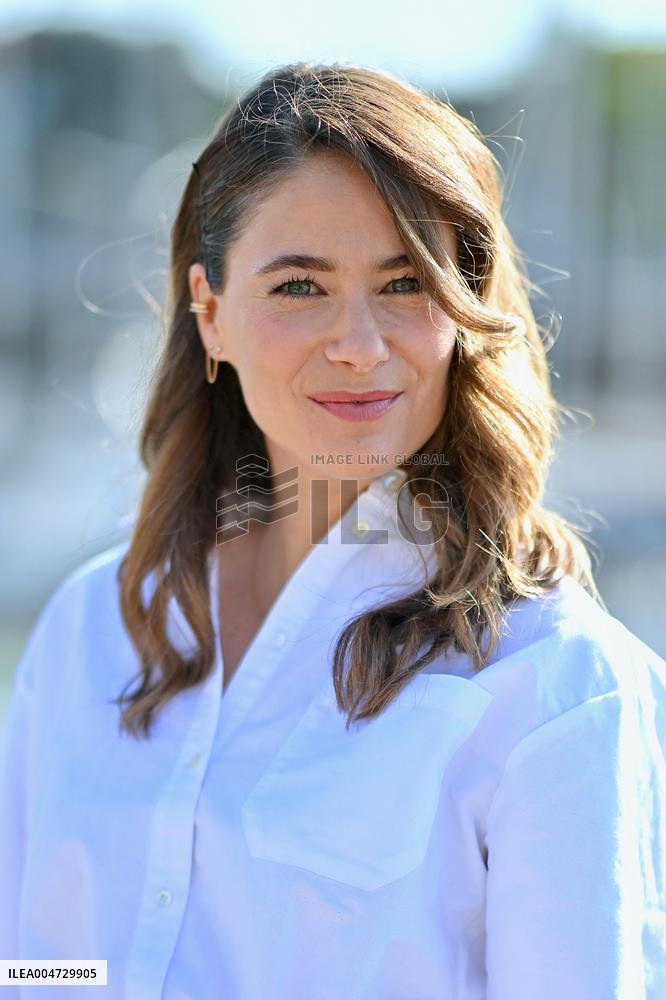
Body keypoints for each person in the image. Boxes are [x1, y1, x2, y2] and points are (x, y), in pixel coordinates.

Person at [0, 61, 663, 1000]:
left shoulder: (556, 682)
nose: (359, 342)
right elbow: (33, 958)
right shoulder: (90, 628)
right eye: (300, 287)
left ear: (465, 316)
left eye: (404, 284)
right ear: (211, 313)